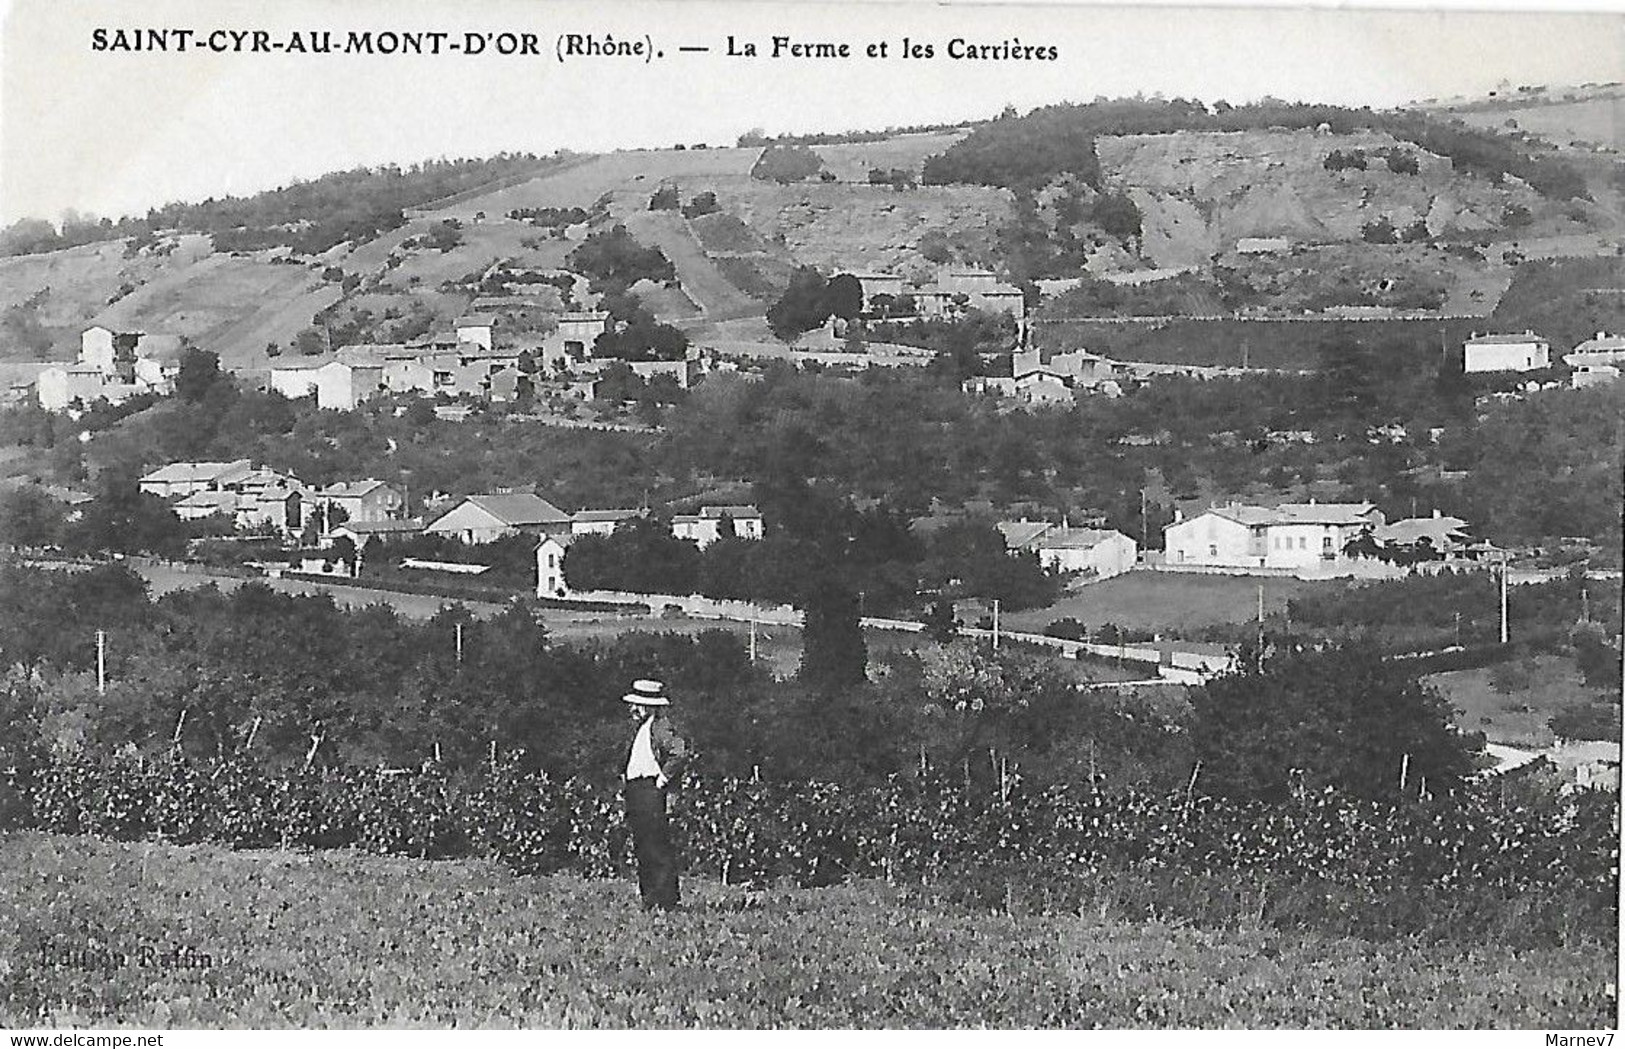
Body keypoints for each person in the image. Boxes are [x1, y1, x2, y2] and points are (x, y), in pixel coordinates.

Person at [621, 678, 690, 911]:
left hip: (650, 790)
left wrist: (663, 779)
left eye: (637, 705)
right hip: (638, 791)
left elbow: (679, 753)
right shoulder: (643, 728)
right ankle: (650, 899)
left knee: (655, 845)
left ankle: (666, 901)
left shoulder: (660, 726)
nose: (633, 709)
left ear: (649, 706)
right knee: (643, 845)